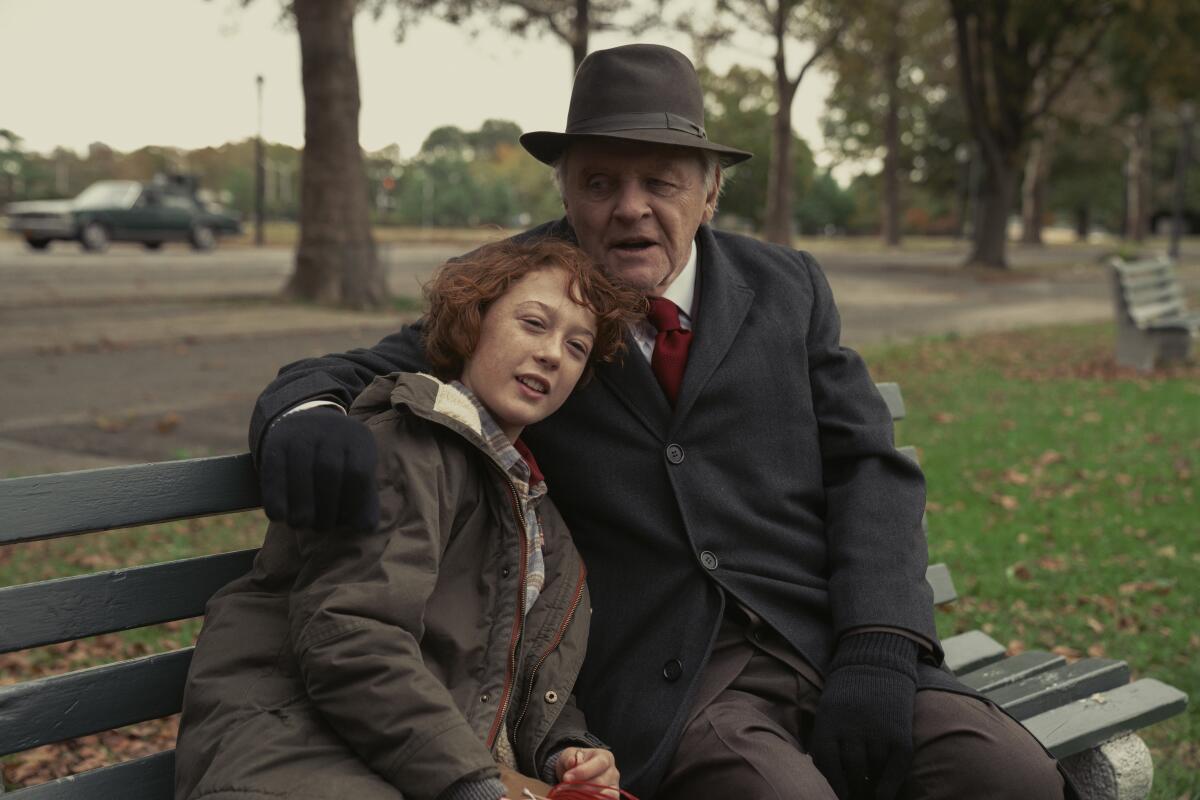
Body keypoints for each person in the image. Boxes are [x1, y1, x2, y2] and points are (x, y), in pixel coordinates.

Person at [246, 44, 1073, 800]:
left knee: (1014, 778)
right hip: (670, 681)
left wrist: (879, 645)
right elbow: (352, 370)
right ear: (565, 191)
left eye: (661, 182)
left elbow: (869, 466)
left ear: (710, 192)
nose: (630, 208)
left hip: (824, 641)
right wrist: (306, 411)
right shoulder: (519, 294)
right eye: (600, 182)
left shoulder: (788, 287)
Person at [175, 239, 643, 800]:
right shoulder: (411, 445)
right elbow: (351, 638)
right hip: (295, 752)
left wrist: (565, 750)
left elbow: (516, 670)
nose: (552, 354)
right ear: (472, 323)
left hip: (406, 762)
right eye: (533, 324)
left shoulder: (536, 511)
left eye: (576, 346)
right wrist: (471, 784)